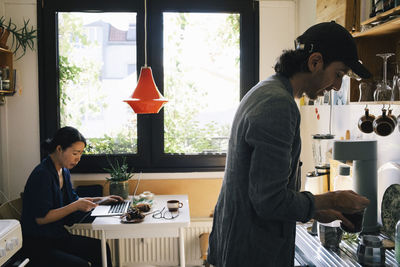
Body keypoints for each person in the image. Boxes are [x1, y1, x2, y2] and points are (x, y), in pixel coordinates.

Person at [208, 21, 371, 267]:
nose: (338, 86)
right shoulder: (278, 105)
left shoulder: (267, 90)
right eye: (338, 74)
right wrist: (333, 199)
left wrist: (313, 210)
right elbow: (269, 201)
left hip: (238, 243)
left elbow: (262, 191)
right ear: (315, 62)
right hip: (252, 252)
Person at [21, 126, 123, 267]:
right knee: (79, 265)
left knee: (100, 248)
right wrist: (75, 206)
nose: (78, 158)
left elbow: (73, 200)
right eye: (75, 153)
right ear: (59, 149)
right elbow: (41, 218)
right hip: (38, 242)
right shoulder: (42, 175)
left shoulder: (64, 171)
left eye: (80, 154)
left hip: (56, 236)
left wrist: (100, 200)